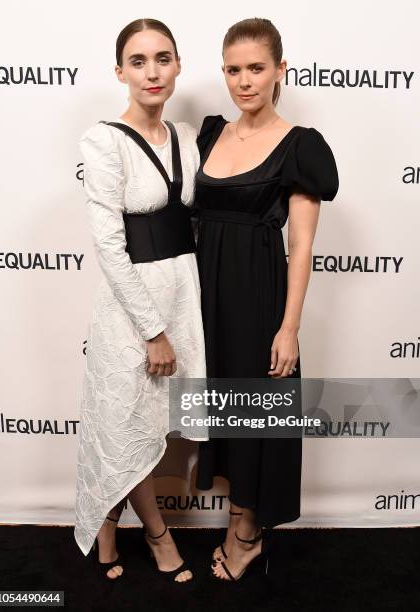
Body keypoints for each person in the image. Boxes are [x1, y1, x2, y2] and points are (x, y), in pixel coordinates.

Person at [193, 17, 339, 582]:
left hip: (259, 294)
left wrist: (289, 328)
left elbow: (301, 246)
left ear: (281, 70)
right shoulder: (209, 134)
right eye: (233, 70)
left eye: (256, 68)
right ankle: (236, 522)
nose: (243, 81)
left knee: (257, 415)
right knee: (224, 414)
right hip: (206, 296)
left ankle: (247, 537)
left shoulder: (301, 146)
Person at [74, 18, 206, 583]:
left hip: (182, 293)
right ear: (120, 71)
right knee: (126, 423)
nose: (152, 72)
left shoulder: (185, 136)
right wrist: (152, 330)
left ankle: (109, 524)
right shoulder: (101, 140)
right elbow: (108, 244)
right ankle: (156, 534)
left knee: (151, 424)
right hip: (133, 309)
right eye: (138, 61)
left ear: (178, 65)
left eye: (163, 58)